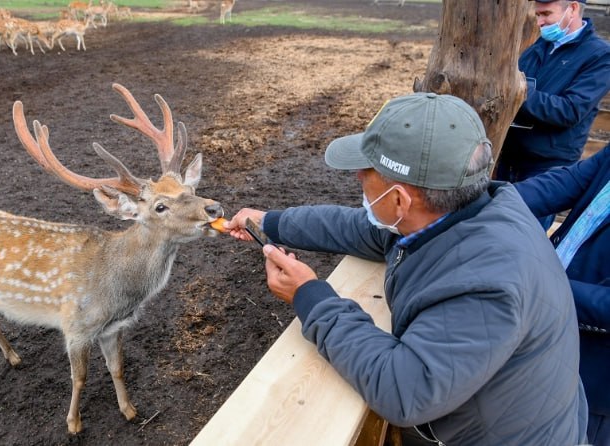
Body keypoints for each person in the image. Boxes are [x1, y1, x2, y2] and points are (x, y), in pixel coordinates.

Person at [223, 92, 588, 445]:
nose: (358, 178)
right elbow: (359, 229)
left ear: (399, 200)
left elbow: (404, 390)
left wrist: (309, 296)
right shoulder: (467, 211)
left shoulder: (485, 284)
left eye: (366, 171)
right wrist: (271, 222)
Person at [515, 143, 610, 446]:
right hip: (546, 338)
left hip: (594, 374)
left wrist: (544, 285)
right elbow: (565, 182)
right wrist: (481, 200)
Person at [495, 0, 610, 227]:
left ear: (573, 8)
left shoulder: (599, 56)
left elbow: (570, 110)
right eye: (537, 15)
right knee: (496, 227)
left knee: (525, 232)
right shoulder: (537, 47)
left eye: (546, 14)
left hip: (547, 168)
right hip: (510, 160)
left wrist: (518, 91)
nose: (540, 22)